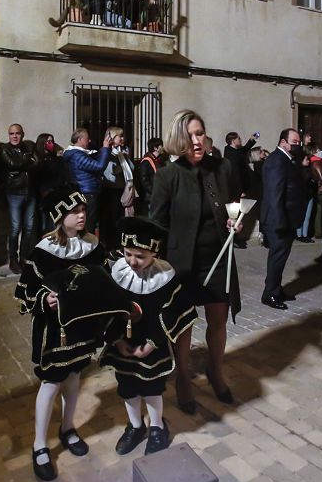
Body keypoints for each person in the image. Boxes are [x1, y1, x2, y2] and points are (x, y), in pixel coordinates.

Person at [14, 188, 123, 481]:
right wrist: (43, 300)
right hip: (54, 330)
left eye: (83, 210)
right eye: (75, 212)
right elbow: (25, 293)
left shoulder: (91, 244)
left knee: (75, 375)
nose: (82, 215)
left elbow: (102, 276)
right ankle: (39, 444)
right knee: (51, 382)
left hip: (82, 326)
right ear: (59, 218)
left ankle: (67, 428)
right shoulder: (44, 251)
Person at [150, 110, 242, 415]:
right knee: (184, 324)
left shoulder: (221, 168)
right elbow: (156, 224)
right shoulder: (166, 175)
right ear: (178, 138)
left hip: (217, 257)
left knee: (218, 319)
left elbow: (231, 206)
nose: (196, 140)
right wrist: (152, 268)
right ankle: (183, 379)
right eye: (190, 135)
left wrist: (236, 222)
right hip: (182, 264)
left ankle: (216, 370)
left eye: (200, 133)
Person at [101, 217, 196, 455]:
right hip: (123, 343)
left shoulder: (165, 278)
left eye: (140, 256)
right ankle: (135, 426)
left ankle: (156, 427)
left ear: (154, 253)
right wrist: (116, 339)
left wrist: (153, 343)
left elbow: (173, 312)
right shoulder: (116, 273)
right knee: (127, 387)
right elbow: (108, 310)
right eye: (128, 254)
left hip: (152, 344)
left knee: (152, 387)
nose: (133, 261)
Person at [259, 128, 308, 308]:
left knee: (281, 257)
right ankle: (269, 294)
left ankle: (276, 289)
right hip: (277, 220)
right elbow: (274, 194)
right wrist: (280, 222)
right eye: (294, 142)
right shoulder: (276, 161)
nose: (297, 145)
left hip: (286, 219)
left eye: (298, 142)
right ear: (282, 142)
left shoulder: (287, 160)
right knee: (277, 257)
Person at [0, 123, 39, 274]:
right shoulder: (5, 149)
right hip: (14, 193)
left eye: (17, 133)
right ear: (8, 135)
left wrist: (23, 164)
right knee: (15, 228)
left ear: (22, 134)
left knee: (29, 229)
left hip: (30, 192)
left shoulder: (28, 147)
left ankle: (24, 258)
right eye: (11, 134)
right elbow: (13, 164)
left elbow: (37, 164)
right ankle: (13, 259)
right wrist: (27, 160)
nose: (14, 136)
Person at [62, 127, 112, 231]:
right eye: (87, 138)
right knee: (88, 223)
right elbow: (99, 166)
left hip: (87, 190)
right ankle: (86, 245)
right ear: (79, 139)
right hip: (87, 192)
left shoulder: (79, 153)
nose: (89, 141)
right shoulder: (76, 155)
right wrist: (105, 148)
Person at [101, 126, 138, 247]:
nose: (123, 138)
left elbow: (132, 169)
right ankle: (112, 244)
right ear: (111, 138)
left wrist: (125, 157)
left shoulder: (122, 152)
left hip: (122, 190)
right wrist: (118, 161)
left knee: (122, 218)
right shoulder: (107, 153)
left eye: (123, 136)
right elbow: (110, 173)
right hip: (111, 191)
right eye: (119, 136)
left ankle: (119, 242)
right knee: (112, 219)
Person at [34, 133, 68, 232]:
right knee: (43, 225)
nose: (51, 144)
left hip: (55, 194)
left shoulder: (56, 159)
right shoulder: (37, 159)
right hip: (42, 195)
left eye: (52, 141)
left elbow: (60, 176)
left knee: (53, 224)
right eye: (48, 141)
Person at [137, 137, 164, 215]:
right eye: (161, 146)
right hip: (151, 197)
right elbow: (145, 181)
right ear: (155, 148)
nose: (163, 148)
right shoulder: (146, 161)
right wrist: (154, 192)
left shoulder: (157, 160)